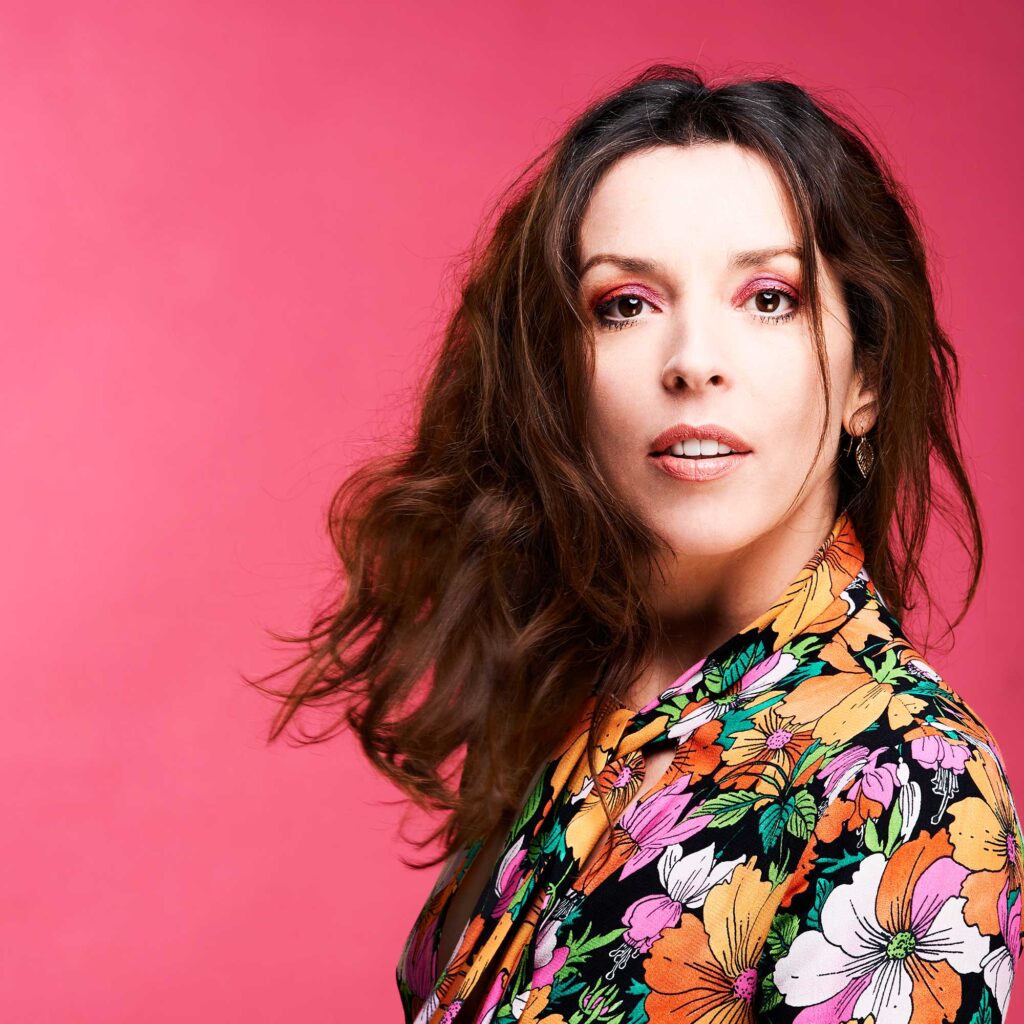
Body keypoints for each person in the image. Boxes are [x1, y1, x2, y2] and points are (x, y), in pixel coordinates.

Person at [247, 64, 1023, 1023]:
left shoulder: (907, 780)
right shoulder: (581, 709)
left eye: (768, 297)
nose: (694, 360)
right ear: (563, 380)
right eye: (626, 305)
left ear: (866, 377)